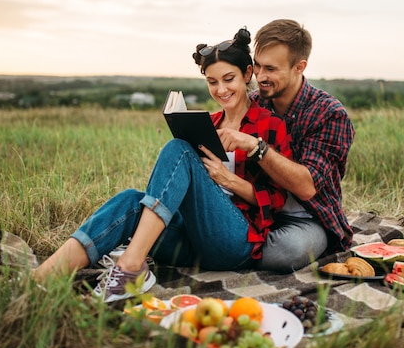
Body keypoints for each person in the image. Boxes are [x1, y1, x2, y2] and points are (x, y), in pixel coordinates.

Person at [32, 27, 293, 302]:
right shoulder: (209, 123)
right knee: (131, 200)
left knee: (177, 149)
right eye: (212, 82)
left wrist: (229, 181)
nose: (221, 89)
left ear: (247, 74)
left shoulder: (268, 124)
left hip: (233, 243)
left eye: (229, 79)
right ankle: (40, 279)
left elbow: (278, 199)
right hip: (192, 242)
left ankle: (131, 266)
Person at [218, 19, 355, 272]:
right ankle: (233, 248)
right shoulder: (254, 101)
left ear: (299, 67)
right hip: (255, 207)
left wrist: (255, 147)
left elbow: (307, 187)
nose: (259, 76)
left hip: (305, 217)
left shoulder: (329, 113)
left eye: (270, 69)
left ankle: (229, 251)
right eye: (257, 66)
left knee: (288, 251)